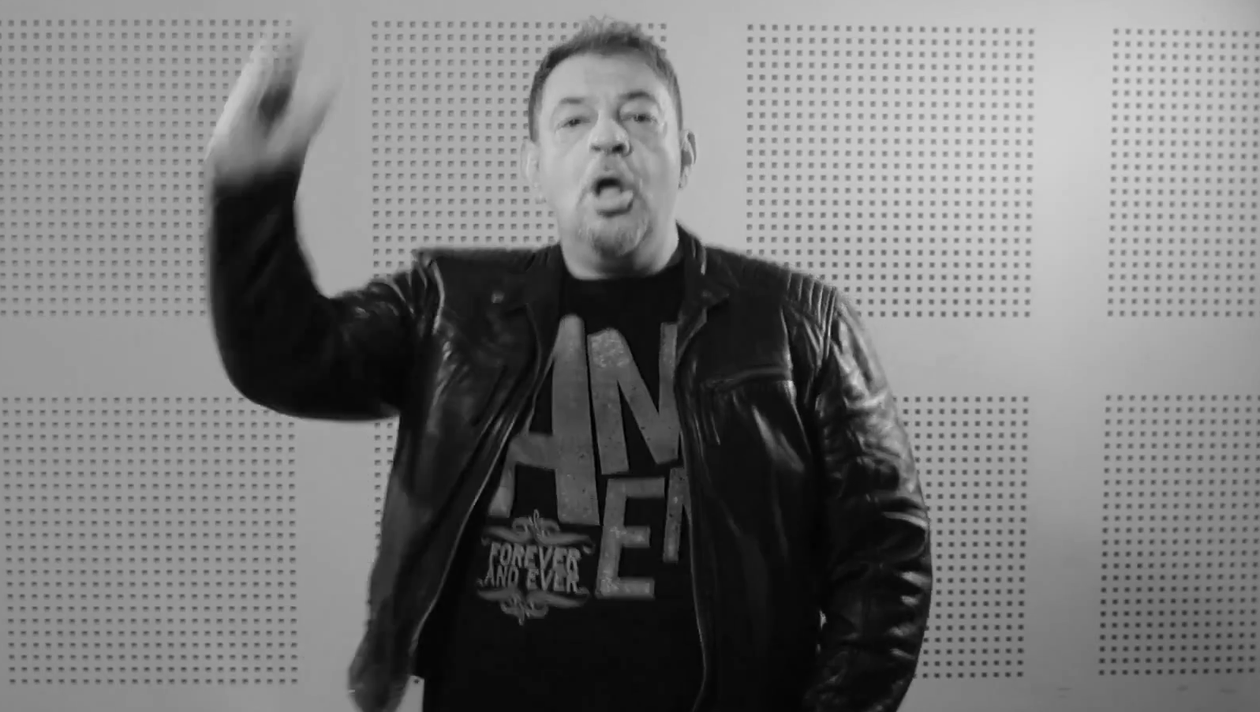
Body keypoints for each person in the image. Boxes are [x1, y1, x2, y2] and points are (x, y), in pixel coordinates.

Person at [204, 16, 932, 712]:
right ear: (535, 167)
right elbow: (286, 361)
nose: (609, 136)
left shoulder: (800, 323)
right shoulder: (446, 306)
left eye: (640, 116)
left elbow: (886, 556)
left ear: (684, 154)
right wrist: (248, 194)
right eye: (574, 120)